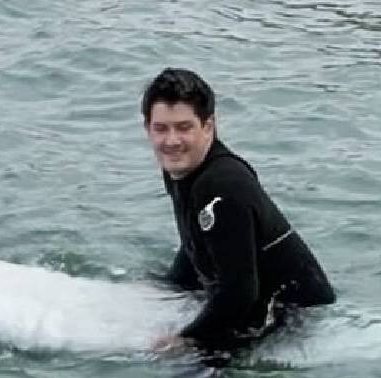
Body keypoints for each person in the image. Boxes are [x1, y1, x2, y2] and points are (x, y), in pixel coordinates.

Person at [142, 68, 336, 352]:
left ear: (208, 126)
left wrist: (186, 340)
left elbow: (239, 295)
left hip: (296, 316)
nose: (171, 141)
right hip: (250, 297)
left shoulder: (222, 186)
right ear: (147, 128)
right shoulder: (181, 169)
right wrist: (170, 286)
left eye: (184, 127)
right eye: (161, 128)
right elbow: (197, 239)